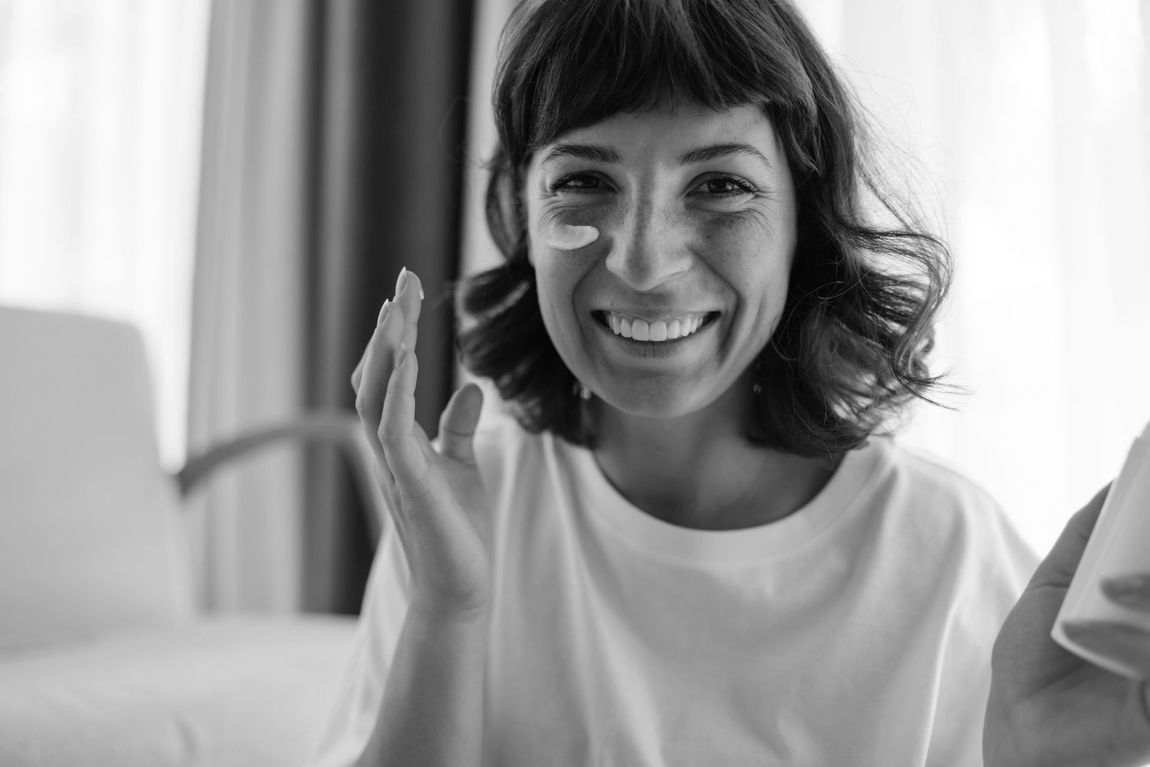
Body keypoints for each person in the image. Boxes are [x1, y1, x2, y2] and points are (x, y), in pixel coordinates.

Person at [310, 1, 1150, 765]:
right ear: (523, 217)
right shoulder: (460, 517)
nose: (643, 260)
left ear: (802, 220)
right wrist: (450, 610)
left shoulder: (947, 557)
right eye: (583, 181)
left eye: (719, 185)